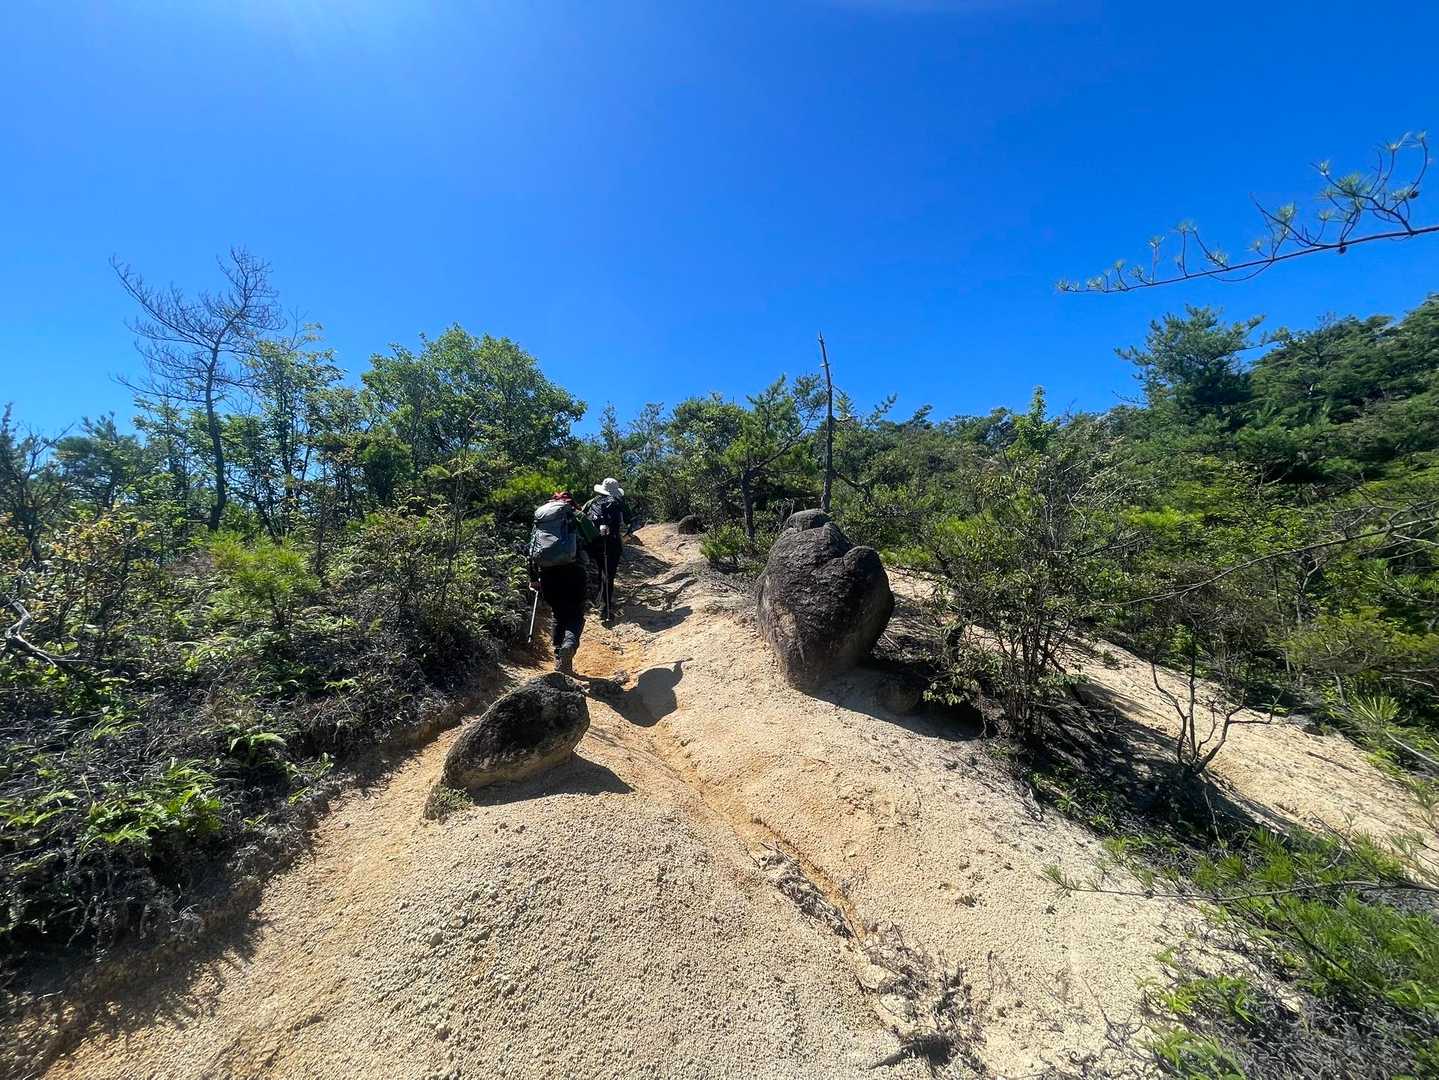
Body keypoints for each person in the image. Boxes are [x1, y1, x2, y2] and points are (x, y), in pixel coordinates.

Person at [528, 491, 599, 673]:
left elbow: (532, 550)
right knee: (575, 614)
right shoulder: (576, 515)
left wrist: (533, 579)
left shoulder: (541, 519)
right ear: (569, 503)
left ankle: (560, 659)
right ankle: (569, 644)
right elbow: (594, 538)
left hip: (547, 574)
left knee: (558, 615)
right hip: (574, 572)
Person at [582, 477, 629, 623]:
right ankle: (605, 609)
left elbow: (581, 518)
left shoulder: (591, 502)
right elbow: (628, 520)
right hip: (612, 543)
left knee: (602, 571)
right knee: (608, 574)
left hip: (595, 543)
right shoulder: (618, 503)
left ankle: (600, 601)